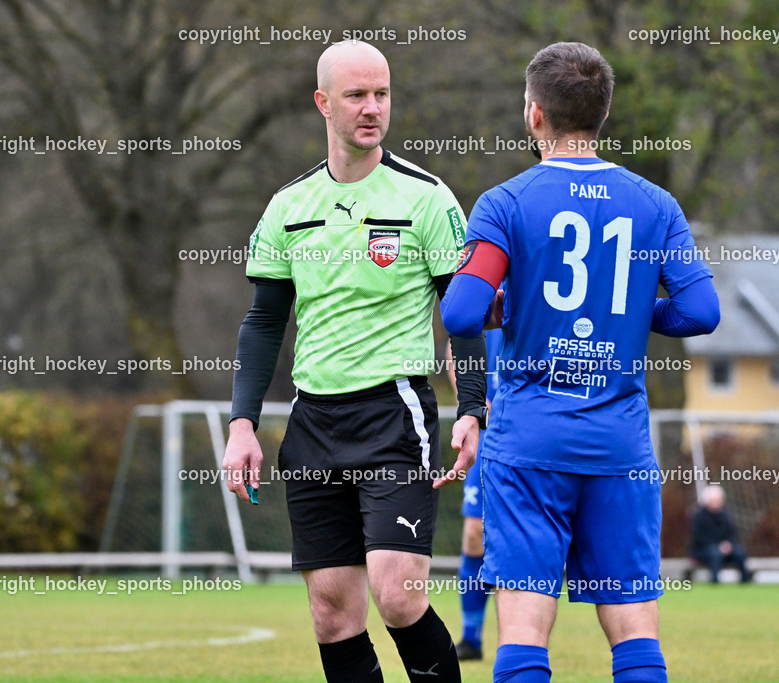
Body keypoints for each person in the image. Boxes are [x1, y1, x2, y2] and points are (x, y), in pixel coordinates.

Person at [440, 42, 720, 683]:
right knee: (634, 634)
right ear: (603, 115)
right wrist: (630, 311)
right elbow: (701, 312)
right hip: (620, 446)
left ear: (534, 113)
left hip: (530, 445)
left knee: (524, 633)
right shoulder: (656, 204)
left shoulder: (505, 203)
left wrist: (518, 304)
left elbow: (460, 312)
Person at [222, 40, 487, 683]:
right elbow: (264, 323)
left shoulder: (427, 199)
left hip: (394, 415)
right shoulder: (288, 207)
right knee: (332, 614)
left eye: (382, 95)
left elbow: (464, 315)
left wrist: (473, 408)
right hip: (312, 421)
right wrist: (242, 423)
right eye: (357, 96)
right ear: (323, 103)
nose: (372, 108)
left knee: (398, 595)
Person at [446, 328, 503, 661]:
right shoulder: (481, 299)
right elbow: (454, 346)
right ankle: (471, 638)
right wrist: (472, 402)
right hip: (485, 430)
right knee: (474, 535)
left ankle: (521, 637)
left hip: (526, 429)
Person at [690, 484, 751, 583]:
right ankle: (715, 580)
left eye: (719, 500)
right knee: (714, 553)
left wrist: (728, 544)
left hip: (724, 548)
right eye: (714, 500)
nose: (717, 503)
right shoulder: (699, 516)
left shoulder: (725, 515)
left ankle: (745, 579)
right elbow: (699, 537)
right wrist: (718, 546)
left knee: (739, 553)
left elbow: (732, 534)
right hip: (704, 550)